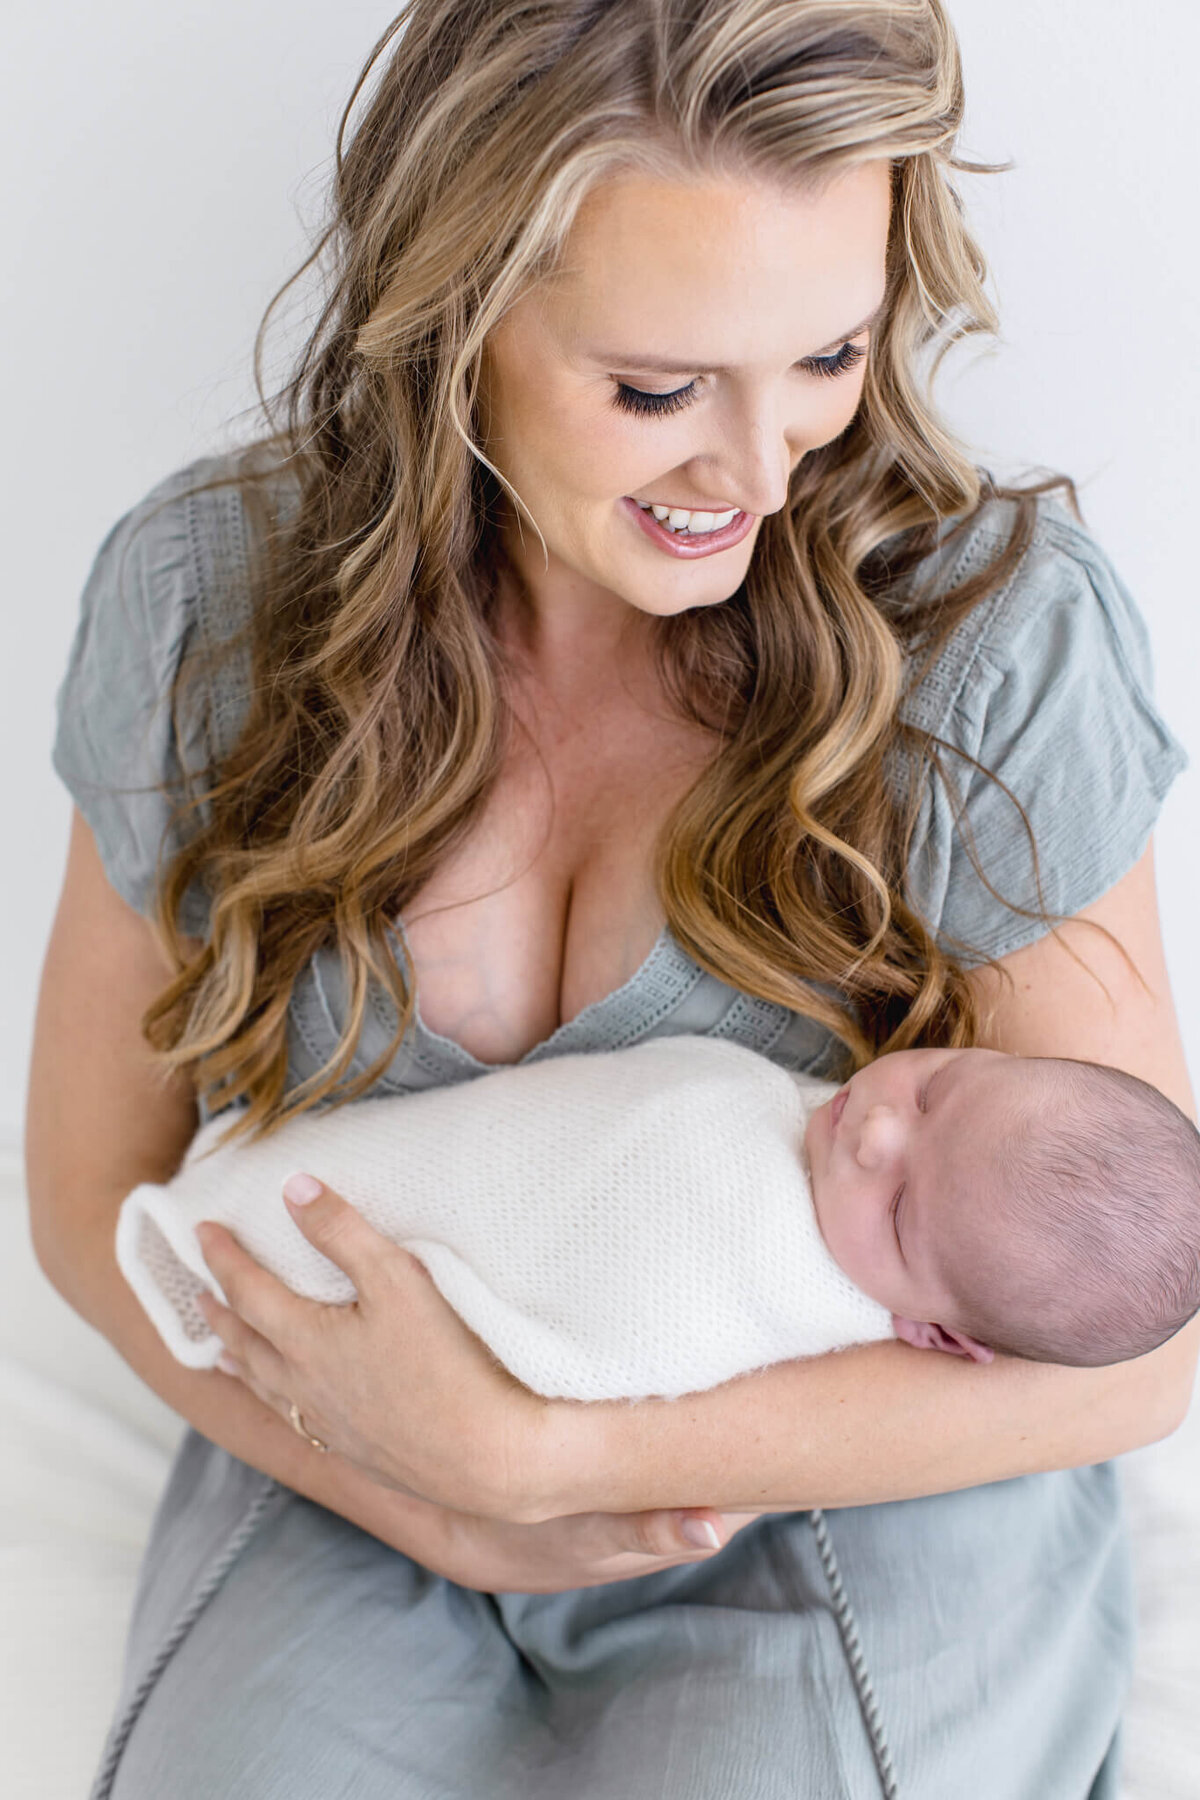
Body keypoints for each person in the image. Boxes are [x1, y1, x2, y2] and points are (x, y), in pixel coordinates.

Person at [25, 2, 1195, 1796]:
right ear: (458, 311)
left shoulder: (987, 637)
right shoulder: (215, 603)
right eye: (656, 391)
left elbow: (1140, 1350)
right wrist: (419, 1479)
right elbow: (95, 1193)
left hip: (842, 1482)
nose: (761, 471)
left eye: (830, 356)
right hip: (345, 1453)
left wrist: (536, 1462)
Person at [118, 1036, 1200, 1396]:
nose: (873, 1133)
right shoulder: (809, 1128)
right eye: (936, 1091)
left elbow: (606, 1347)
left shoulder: (766, 1282)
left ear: (938, 1333)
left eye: (905, 1209)